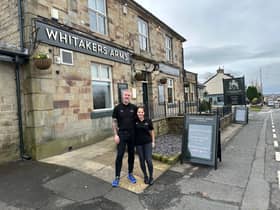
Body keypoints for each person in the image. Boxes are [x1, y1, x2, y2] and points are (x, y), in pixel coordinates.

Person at [111, 89, 138, 187]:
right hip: (121, 135)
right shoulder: (117, 108)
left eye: (128, 95)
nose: (127, 97)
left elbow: (139, 120)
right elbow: (114, 122)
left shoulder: (134, 108)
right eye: (125, 95)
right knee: (119, 156)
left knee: (132, 155)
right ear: (122, 96)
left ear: (130, 97)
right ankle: (117, 177)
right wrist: (115, 135)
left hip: (132, 135)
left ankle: (130, 174)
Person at [135, 106, 155, 185]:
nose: (140, 113)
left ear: (144, 113)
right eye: (139, 112)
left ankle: (151, 177)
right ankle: (145, 176)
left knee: (148, 160)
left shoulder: (148, 120)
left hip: (148, 143)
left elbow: (152, 131)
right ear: (137, 113)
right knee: (142, 160)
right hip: (138, 144)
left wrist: (153, 141)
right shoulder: (135, 121)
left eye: (141, 112)